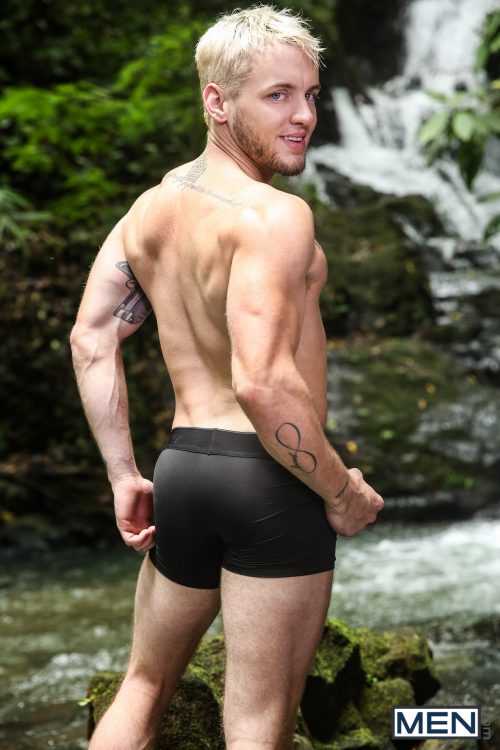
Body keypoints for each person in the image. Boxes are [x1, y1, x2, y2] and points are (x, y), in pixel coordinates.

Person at [70, 6, 384, 749]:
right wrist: (339, 492)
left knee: (143, 688)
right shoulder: (276, 216)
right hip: (270, 479)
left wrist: (124, 475)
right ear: (216, 101)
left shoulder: (149, 211)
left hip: (184, 471)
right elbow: (262, 384)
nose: (303, 115)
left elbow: (91, 338)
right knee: (256, 727)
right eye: (278, 96)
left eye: (310, 95)